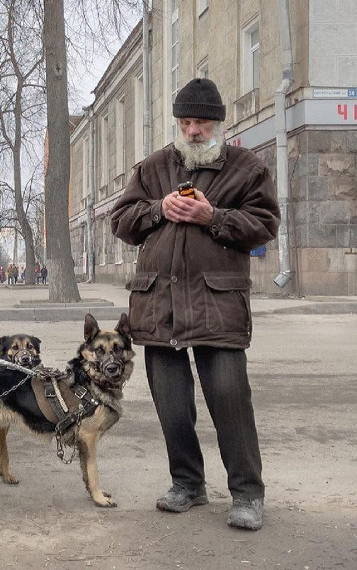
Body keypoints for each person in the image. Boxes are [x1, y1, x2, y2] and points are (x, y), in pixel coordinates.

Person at [110, 78, 280, 531]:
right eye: (184, 123)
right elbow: (121, 221)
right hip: (158, 303)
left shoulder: (246, 168)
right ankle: (187, 484)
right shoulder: (153, 168)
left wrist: (213, 216)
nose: (192, 132)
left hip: (216, 302)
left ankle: (247, 492)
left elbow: (264, 224)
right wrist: (157, 210)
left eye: (201, 123)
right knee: (171, 402)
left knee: (229, 397)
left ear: (218, 123)